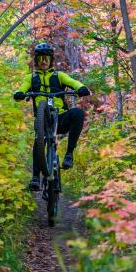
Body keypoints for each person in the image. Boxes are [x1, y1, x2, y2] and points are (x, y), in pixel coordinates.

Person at [13, 43, 90, 191]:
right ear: (36, 61)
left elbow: (72, 82)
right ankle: (35, 177)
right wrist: (19, 93)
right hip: (42, 120)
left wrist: (80, 88)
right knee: (38, 141)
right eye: (40, 58)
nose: (43, 61)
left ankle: (69, 154)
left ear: (50, 60)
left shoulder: (59, 76)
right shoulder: (31, 78)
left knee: (78, 113)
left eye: (46, 59)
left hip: (60, 118)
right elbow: (22, 87)